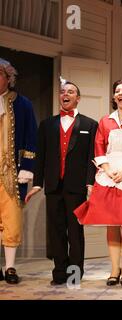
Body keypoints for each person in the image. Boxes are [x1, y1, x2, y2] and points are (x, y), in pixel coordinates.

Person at [73, 80, 122, 286]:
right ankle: (114, 269)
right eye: (117, 91)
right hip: (108, 176)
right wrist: (108, 171)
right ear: (113, 96)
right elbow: (99, 146)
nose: (120, 93)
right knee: (111, 224)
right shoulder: (105, 121)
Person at [25, 79, 97, 286]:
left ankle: (74, 275)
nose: (65, 94)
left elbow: (92, 157)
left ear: (78, 98)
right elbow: (41, 157)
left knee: (75, 233)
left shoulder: (90, 125)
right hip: (54, 187)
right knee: (56, 232)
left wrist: (90, 184)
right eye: (63, 91)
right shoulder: (47, 124)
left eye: (71, 91)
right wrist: (37, 183)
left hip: (76, 188)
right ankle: (59, 274)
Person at [0, 58, 37, 284]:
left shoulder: (22, 104)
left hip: (11, 172)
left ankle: (10, 267)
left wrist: (27, 169)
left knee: (12, 219)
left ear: (8, 77)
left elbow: (31, 139)